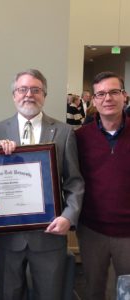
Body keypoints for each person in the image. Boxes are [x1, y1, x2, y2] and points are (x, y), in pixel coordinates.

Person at [0, 69, 84, 300]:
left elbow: (74, 181)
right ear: (14, 95)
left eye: (36, 90)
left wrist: (69, 216)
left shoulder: (64, 132)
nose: (29, 94)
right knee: (9, 295)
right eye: (22, 89)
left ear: (45, 95)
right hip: (9, 237)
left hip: (49, 235)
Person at [75, 71, 130, 300]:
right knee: (94, 290)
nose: (108, 98)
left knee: (126, 293)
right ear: (94, 100)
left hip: (128, 233)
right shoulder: (79, 137)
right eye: (101, 94)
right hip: (91, 231)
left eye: (114, 92)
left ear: (125, 96)